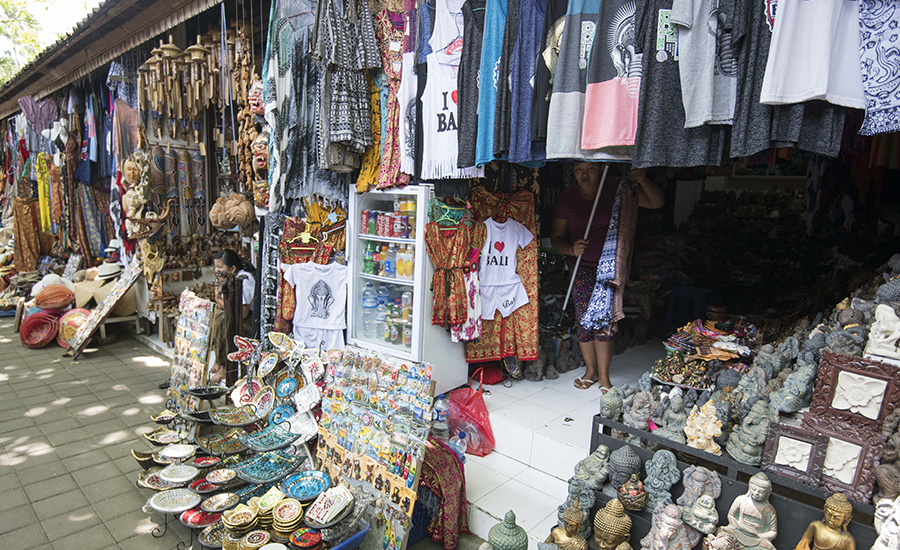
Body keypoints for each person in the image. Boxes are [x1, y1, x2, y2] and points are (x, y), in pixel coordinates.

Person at [551, 162, 664, 390]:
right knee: (584, 321)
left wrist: (643, 180)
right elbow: (556, 238)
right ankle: (590, 371)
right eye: (579, 169)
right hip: (581, 267)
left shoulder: (617, 189)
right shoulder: (567, 199)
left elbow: (656, 202)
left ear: (601, 169)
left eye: (590, 169)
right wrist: (571, 249)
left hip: (609, 268)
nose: (584, 174)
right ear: (572, 171)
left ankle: (604, 376)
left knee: (604, 320)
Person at [208, 248, 256, 384]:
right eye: (215, 267)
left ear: (232, 268)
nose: (216, 271)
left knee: (224, 320)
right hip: (237, 316)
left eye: (219, 267)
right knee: (218, 315)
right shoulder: (226, 278)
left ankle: (225, 367)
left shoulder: (245, 279)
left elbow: (243, 312)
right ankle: (219, 360)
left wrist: (217, 297)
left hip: (248, 322)